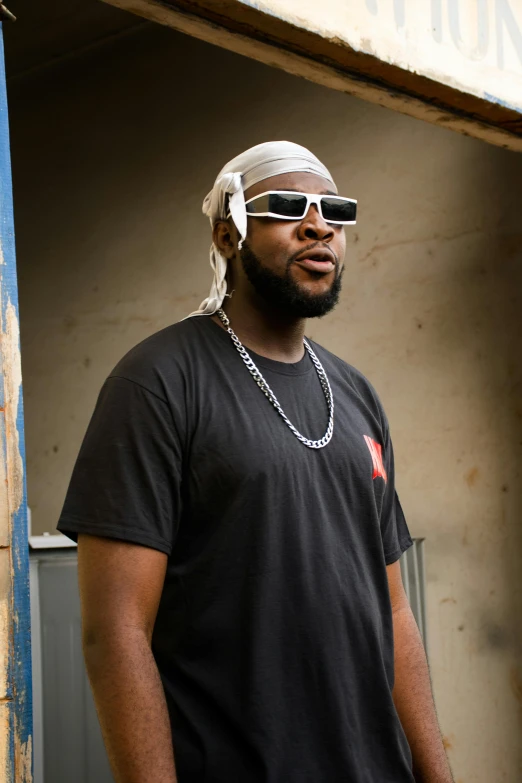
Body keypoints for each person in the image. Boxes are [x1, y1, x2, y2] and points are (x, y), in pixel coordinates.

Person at [58, 141, 454, 783]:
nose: (319, 224)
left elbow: (394, 612)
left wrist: (438, 775)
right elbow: (117, 634)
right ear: (227, 233)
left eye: (335, 209)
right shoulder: (158, 382)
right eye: (288, 206)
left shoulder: (356, 394)